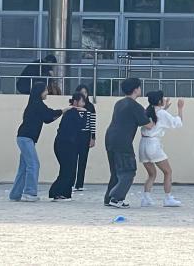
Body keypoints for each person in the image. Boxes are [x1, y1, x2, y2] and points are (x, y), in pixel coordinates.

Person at [9, 81, 66, 202]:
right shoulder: (37, 104)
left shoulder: (36, 104)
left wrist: (61, 112)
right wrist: (63, 110)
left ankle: (15, 194)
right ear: (40, 92)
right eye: (45, 90)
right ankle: (30, 193)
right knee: (34, 164)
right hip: (26, 138)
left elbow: (47, 118)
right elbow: (49, 114)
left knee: (24, 167)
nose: (47, 92)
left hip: (25, 138)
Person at [103, 77, 153, 209]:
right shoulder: (135, 106)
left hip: (110, 138)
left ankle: (109, 198)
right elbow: (149, 125)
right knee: (128, 171)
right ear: (136, 89)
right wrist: (159, 112)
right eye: (139, 87)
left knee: (115, 171)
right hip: (122, 141)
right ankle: (116, 198)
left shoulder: (119, 103)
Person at [139, 91, 184, 208]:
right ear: (159, 101)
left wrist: (165, 108)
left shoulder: (147, 110)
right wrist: (180, 108)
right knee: (168, 172)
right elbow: (177, 123)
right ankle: (168, 198)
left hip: (143, 144)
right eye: (162, 98)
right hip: (153, 145)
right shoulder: (162, 113)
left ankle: (146, 198)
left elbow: (157, 117)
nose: (164, 99)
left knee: (151, 174)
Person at [49, 92, 95, 201]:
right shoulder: (71, 113)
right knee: (67, 170)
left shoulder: (76, 113)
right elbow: (80, 125)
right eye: (82, 101)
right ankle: (56, 192)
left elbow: (82, 125)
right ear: (75, 102)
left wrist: (84, 113)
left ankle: (65, 193)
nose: (84, 104)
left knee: (69, 169)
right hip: (64, 145)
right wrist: (84, 113)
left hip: (69, 145)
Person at [73, 84, 96, 193]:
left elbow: (92, 123)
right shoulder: (73, 107)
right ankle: (70, 182)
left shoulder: (90, 107)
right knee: (72, 159)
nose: (84, 94)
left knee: (83, 160)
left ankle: (79, 184)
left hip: (85, 135)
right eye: (82, 92)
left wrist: (93, 138)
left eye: (86, 92)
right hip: (74, 136)